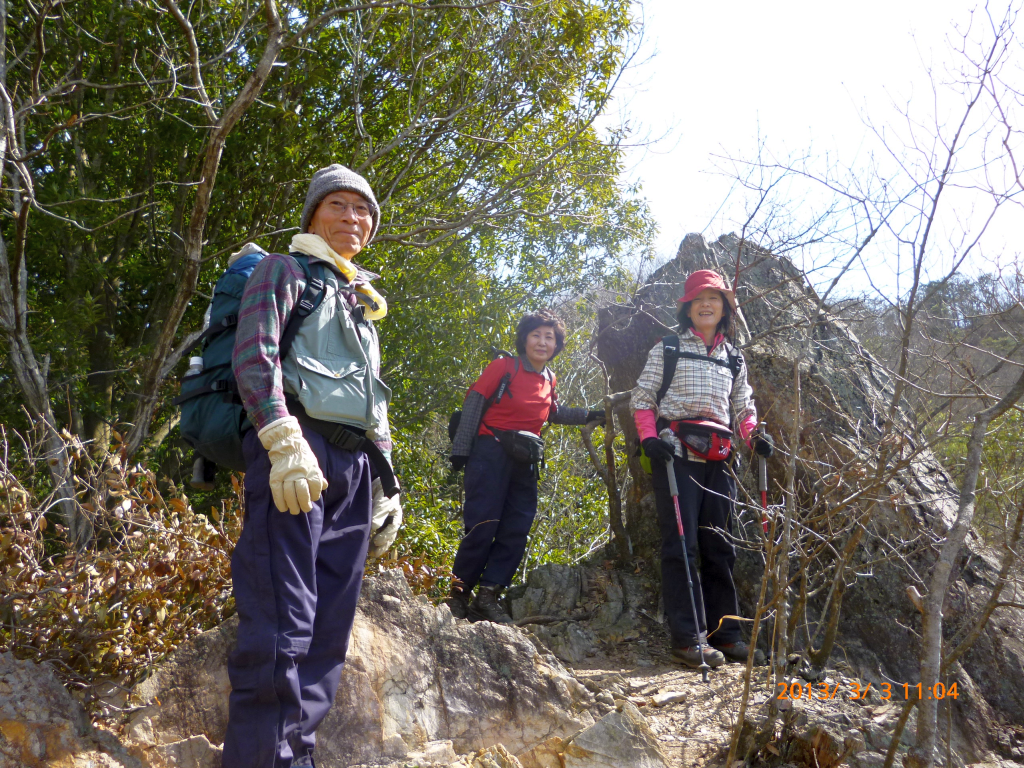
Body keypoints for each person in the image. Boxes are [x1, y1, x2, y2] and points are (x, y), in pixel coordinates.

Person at [224, 164, 401, 768]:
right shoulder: (284, 269)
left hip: (353, 468)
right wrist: (282, 440)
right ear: (313, 214)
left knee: (329, 630)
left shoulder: (359, 297)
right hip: (296, 455)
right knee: (283, 618)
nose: (353, 219)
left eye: (363, 211)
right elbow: (255, 355)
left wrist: (386, 485)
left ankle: (295, 757)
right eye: (340, 206)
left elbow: (370, 399)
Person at [630, 269, 773, 669]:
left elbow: (743, 408)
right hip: (674, 457)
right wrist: (649, 439)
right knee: (681, 546)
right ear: (687, 309)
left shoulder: (734, 358)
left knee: (720, 547)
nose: (706, 305)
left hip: (720, 460)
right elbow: (642, 398)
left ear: (726, 308)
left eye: (715, 298)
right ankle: (688, 639)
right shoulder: (669, 348)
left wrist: (754, 438)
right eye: (698, 299)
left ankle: (726, 635)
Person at [446, 310, 604, 623]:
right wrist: (462, 451)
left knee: (516, 528)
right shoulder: (503, 367)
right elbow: (474, 403)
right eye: (536, 335)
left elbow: (554, 414)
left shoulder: (550, 379)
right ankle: (458, 595)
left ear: (557, 345)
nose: (542, 342)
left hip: (526, 458)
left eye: (550, 337)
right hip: (490, 451)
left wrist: (590, 414)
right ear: (524, 338)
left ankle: (488, 596)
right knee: (482, 524)